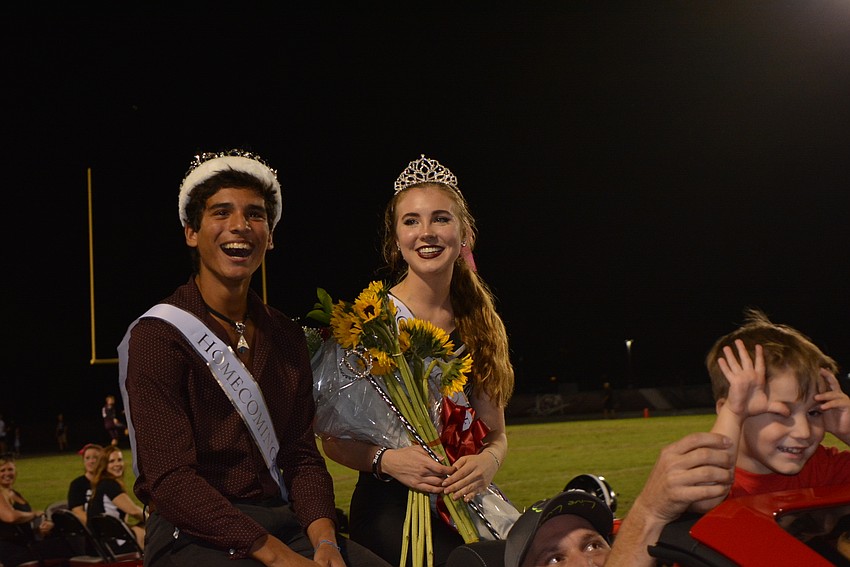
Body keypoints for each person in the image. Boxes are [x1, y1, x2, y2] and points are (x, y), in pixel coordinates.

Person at [119, 149, 390, 567]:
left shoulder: (284, 335)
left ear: (271, 234)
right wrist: (280, 558)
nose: (240, 226)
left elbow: (301, 458)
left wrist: (325, 544)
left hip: (282, 524)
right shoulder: (159, 336)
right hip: (192, 533)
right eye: (221, 212)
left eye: (256, 215)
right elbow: (170, 480)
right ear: (191, 231)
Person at [317, 155, 516, 565]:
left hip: (464, 500)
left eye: (440, 219)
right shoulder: (369, 322)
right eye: (411, 221)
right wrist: (387, 460)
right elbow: (333, 439)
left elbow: (496, 434)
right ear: (396, 239)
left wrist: (487, 462)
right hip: (389, 507)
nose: (426, 233)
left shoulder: (480, 322)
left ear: (464, 234)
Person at [702, 308, 850, 503]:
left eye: (813, 412)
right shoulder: (719, 482)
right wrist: (733, 413)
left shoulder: (820, 467)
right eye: (781, 413)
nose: (803, 432)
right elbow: (705, 498)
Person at [0, 455, 73, 566]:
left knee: (65, 542)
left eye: (10, 469)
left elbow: (25, 522)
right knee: (64, 547)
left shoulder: (14, 494)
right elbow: (11, 517)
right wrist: (33, 514)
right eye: (2, 470)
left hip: (26, 544)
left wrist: (42, 528)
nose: (7, 473)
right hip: (10, 549)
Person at [86, 445, 145, 550]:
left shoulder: (102, 483)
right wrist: (155, 520)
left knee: (141, 529)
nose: (117, 464)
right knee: (146, 532)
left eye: (119, 460)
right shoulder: (109, 484)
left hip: (99, 542)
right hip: (108, 544)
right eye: (112, 461)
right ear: (104, 465)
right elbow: (134, 511)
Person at [67, 442, 103, 524]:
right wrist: (96, 527)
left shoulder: (109, 483)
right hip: (90, 528)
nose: (91, 461)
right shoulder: (77, 484)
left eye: (95, 457)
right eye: (87, 458)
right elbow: (78, 512)